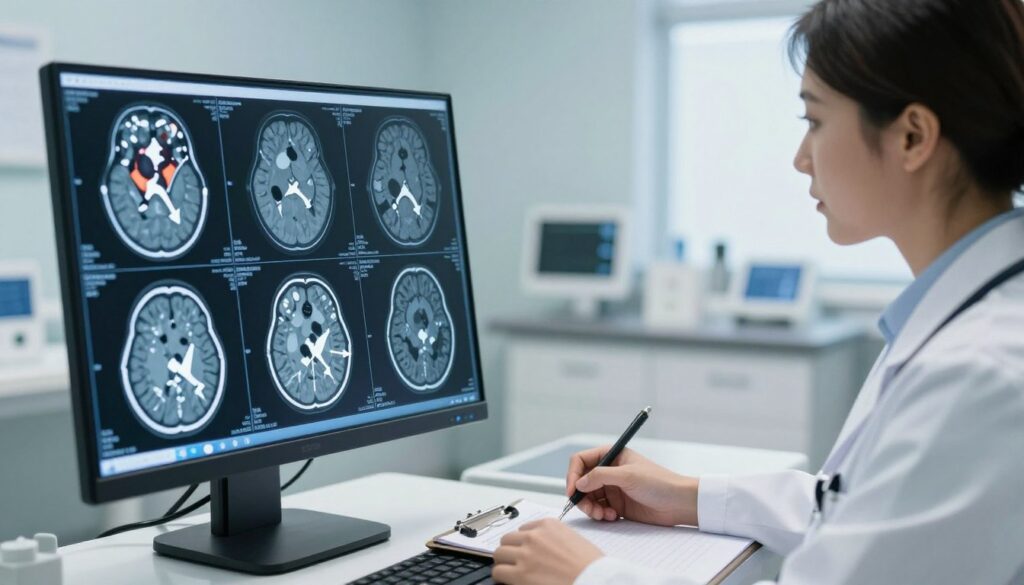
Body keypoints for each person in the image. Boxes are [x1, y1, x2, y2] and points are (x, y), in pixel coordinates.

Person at [491, 0, 1024, 583]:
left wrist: (588, 576)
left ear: (912, 135)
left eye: (815, 122)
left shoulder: (982, 373)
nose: (800, 160)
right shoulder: (962, 326)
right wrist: (684, 494)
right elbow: (854, 507)